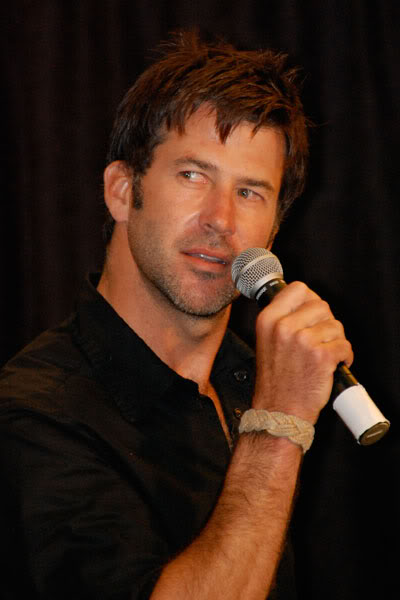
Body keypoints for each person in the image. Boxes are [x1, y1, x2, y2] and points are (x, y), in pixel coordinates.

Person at [0, 31, 352, 599]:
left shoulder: (258, 379)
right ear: (122, 190)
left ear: (274, 230)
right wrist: (278, 427)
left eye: (250, 192)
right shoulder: (34, 411)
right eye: (193, 175)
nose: (221, 219)